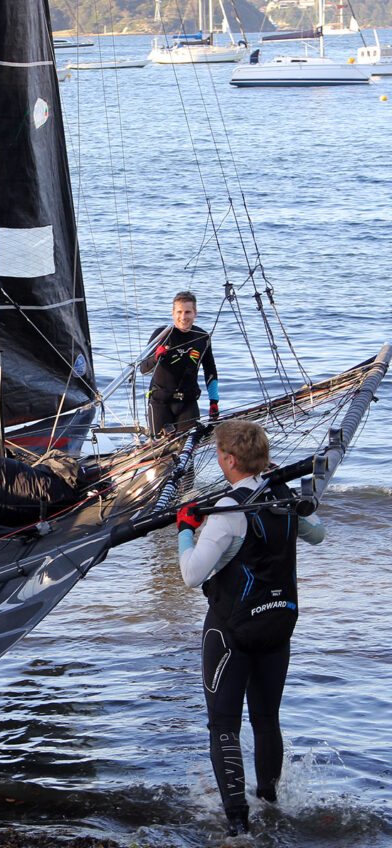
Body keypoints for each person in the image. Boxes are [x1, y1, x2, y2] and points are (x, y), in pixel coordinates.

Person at [175, 420, 325, 836]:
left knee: (224, 725)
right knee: (265, 718)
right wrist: (293, 497)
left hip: (231, 630)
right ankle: (271, 806)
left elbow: (191, 575)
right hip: (278, 625)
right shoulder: (284, 496)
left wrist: (186, 530)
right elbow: (317, 534)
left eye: (220, 455)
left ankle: (238, 827)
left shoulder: (228, 513)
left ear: (230, 459)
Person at [140, 291, 220, 436]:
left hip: (188, 402)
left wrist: (214, 401)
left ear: (195, 313)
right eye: (179, 312)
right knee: (160, 452)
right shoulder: (162, 334)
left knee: (187, 451)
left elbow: (210, 371)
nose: (183, 317)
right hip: (160, 402)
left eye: (188, 312)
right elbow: (143, 369)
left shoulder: (203, 337)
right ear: (173, 313)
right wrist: (156, 358)